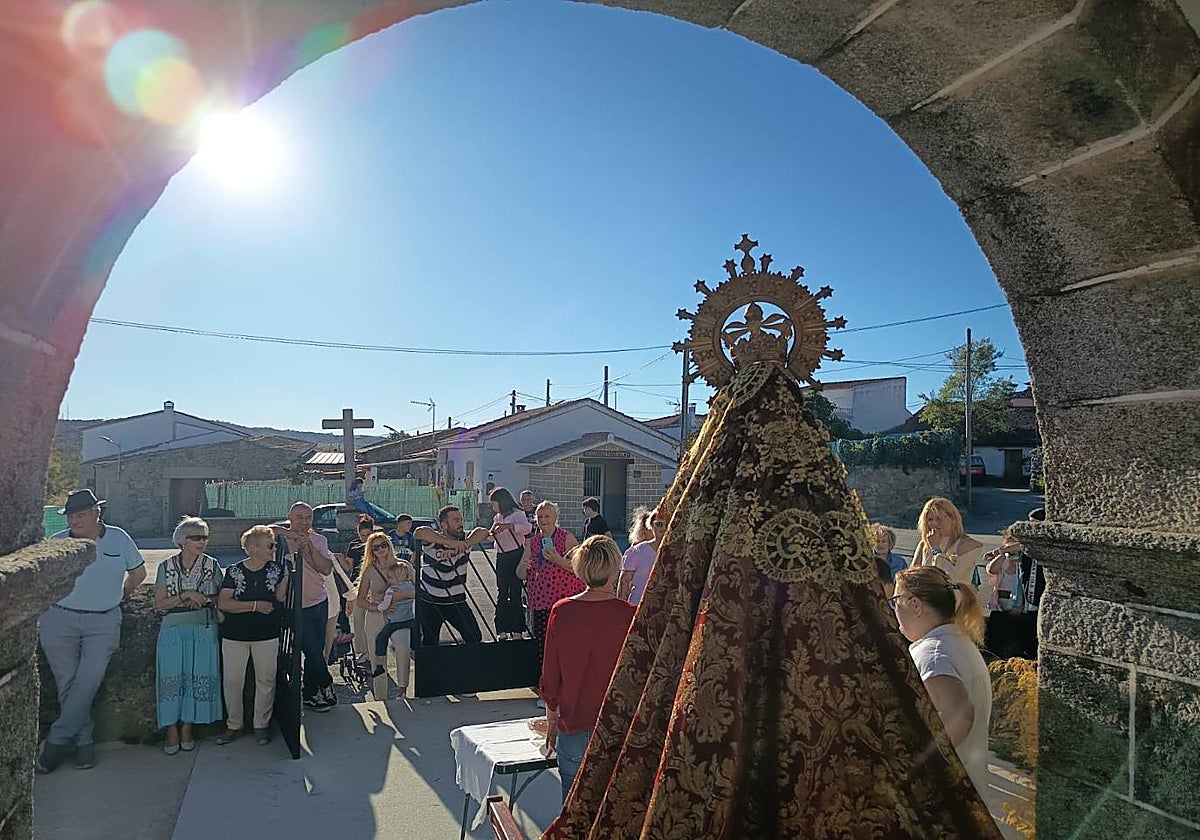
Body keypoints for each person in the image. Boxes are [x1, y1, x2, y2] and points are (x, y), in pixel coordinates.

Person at [38, 489, 147, 773]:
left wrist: (121, 596)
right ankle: (84, 742)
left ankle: (57, 741)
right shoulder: (57, 543)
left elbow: (138, 574)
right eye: (71, 515)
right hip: (59, 619)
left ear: (97, 513)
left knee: (89, 679)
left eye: (81, 514)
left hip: (104, 621)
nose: (75, 520)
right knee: (67, 681)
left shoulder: (119, 538)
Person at [540, 536, 636, 800]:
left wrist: (551, 722)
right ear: (615, 568)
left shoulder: (562, 611)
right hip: (619, 728)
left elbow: (551, 675)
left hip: (573, 725)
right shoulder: (630, 615)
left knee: (571, 813)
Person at [892, 565, 993, 799]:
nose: (894, 610)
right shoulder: (957, 642)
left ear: (915, 605)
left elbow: (960, 715)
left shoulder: (933, 654)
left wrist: (916, 766)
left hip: (943, 793)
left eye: (896, 601)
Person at [153, 517, 224, 755]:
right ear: (183, 541)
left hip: (203, 628)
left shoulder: (212, 565)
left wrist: (204, 599)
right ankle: (171, 728)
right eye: (196, 537)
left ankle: (187, 727)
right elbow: (159, 604)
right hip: (173, 630)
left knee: (197, 678)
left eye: (204, 537)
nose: (202, 542)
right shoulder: (166, 567)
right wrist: (187, 595)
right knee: (172, 679)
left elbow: (221, 597)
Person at [215, 525, 289, 746]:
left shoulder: (277, 570)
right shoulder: (234, 571)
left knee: (266, 680)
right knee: (232, 681)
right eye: (269, 545)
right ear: (254, 547)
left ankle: (261, 724)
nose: (273, 549)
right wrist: (255, 606)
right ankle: (234, 725)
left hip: (267, 634)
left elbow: (280, 599)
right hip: (235, 635)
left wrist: (286, 578)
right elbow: (224, 603)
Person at [270, 502, 337, 711]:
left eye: (308, 518)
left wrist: (309, 550)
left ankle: (310, 693)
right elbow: (261, 531)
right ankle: (326, 682)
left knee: (315, 649)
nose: (304, 522)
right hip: (294, 605)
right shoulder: (279, 539)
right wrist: (291, 536)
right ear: (290, 518)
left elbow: (326, 568)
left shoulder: (319, 540)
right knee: (310, 648)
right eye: (299, 517)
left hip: (318, 601)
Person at [522, 501, 584, 690]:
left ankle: (567, 687)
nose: (543, 520)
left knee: (565, 647)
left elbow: (580, 568)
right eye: (540, 517)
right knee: (543, 648)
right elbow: (520, 572)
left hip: (565, 603)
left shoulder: (567, 538)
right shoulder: (532, 542)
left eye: (547, 516)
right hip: (540, 603)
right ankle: (547, 689)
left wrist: (557, 559)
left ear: (556, 518)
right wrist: (523, 568)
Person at [413, 506, 489, 646]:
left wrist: (464, 545)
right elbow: (419, 532)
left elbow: (483, 531)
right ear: (444, 525)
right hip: (430, 601)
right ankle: (434, 668)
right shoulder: (433, 540)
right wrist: (449, 543)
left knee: (474, 637)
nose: (460, 523)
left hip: (456, 600)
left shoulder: (464, 539)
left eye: (461, 519)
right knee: (430, 643)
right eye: (456, 520)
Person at [355, 531, 415, 696]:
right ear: (371, 551)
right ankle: (381, 696)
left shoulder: (404, 565)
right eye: (375, 547)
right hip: (376, 615)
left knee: (403, 648)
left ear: (389, 546)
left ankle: (402, 689)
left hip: (400, 614)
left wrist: (401, 595)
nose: (380, 549)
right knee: (377, 658)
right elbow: (360, 600)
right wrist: (378, 607)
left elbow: (419, 590)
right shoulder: (369, 571)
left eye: (384, 545)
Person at [910, 497, 983, 590]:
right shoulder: (924, 544)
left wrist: (936, 550)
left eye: (938, 518)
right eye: (930, 519)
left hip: (957, 600)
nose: (934, 523)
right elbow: (912, 575)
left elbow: (953, 579)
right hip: (928, 600)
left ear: (953, 519)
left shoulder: (969, 545)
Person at [489, 487, 532, 639]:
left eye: (495, 503)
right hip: (502, 555)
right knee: (502, 592)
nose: (493, 507)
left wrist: (508, 527)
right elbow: (491, 536)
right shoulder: (498, 517)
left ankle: (517, 629)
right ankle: (501, 629)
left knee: (515, 592)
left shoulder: (517, 514)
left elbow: (527, 528)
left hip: (515, 555)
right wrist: (492, 533)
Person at [618, 506, 665, 606]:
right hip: (637, 606)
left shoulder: (677, 551)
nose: (663, 529)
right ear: (651, 525)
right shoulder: (636, 551)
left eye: (668, 525)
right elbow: (624, 584)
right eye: (659, 524)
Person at [346, 514, 375, 659]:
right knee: (358, 620)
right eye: (362, 535)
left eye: (367, 535)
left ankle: (372, 651)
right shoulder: (353, 545)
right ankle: (363, 651)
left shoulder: (376, 545)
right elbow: (348, 567)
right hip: (356, 585)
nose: (364, 538)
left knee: (371, 621)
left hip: (373, 586)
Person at [871, 523, 907, 598]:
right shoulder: (867, 561)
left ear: (890, 544)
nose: (880, 544)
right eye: (877, 541)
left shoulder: (900, 562)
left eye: (884, 541)